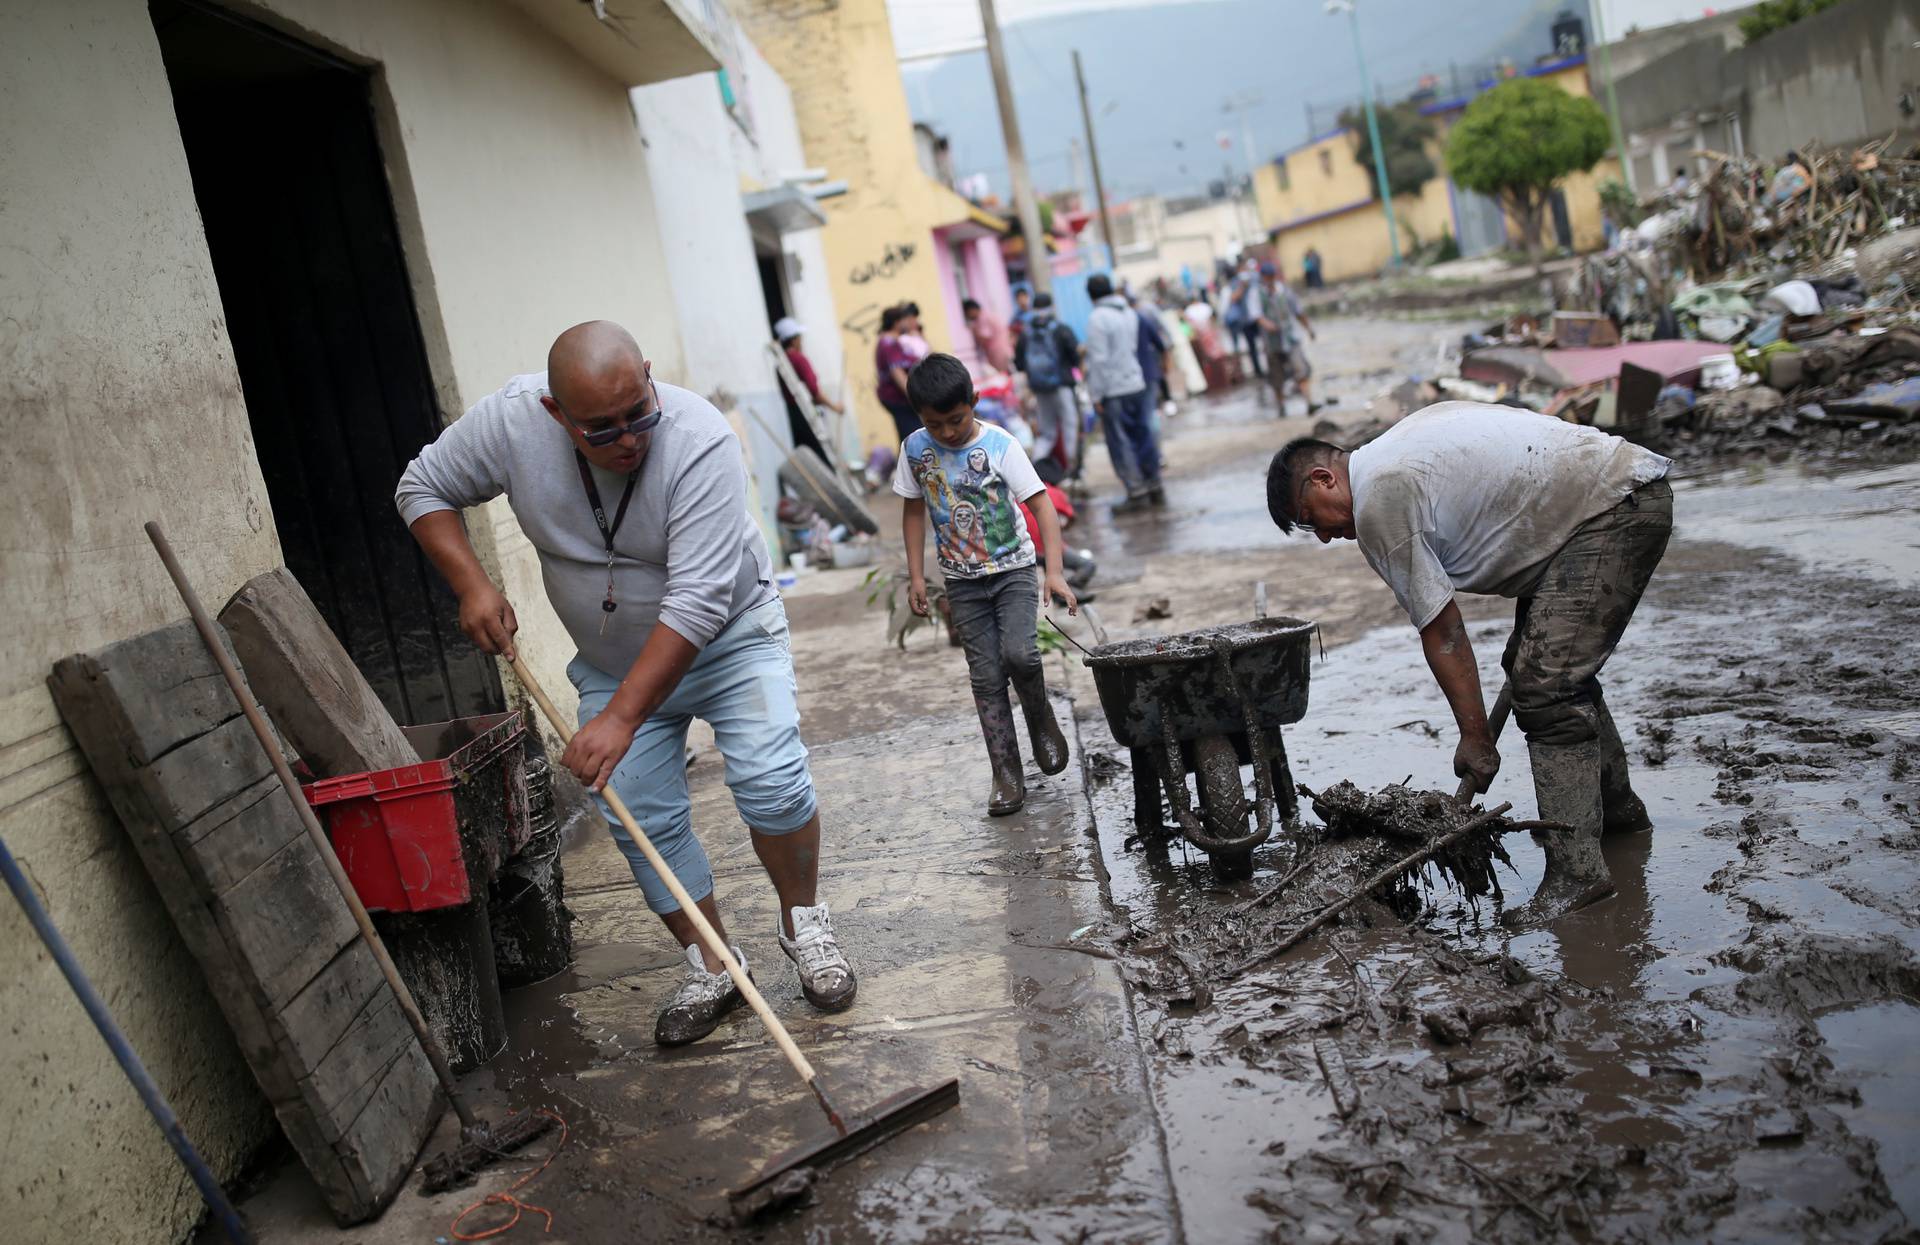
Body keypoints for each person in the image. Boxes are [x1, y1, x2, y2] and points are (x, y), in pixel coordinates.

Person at [395, 321, 856, 1047]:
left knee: (773, 779)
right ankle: (714, 963)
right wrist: (471, 584)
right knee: (637, 810)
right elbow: (422, 485)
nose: (628, 437)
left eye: (638, 411)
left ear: (647, 375)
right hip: (611, 660)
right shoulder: (514, 421)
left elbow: (700, 601)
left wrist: (619, 720)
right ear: (555, 413)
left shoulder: (699, 437)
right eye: (600, 429)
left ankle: (805, 926)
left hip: (731, 636)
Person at [1263, 402, 1673, 929]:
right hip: (1611, 496)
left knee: (1545, 686)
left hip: (1610, 512)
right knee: (1544, 672)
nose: (1321, 536)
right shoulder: (1395, 450)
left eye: (1308, 521)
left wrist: (1475, 737)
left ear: (1323, 479)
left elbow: (1445, 630)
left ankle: (1577, 875)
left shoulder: (1379, 498)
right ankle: (1618, 819)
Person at [895, 354, 1078, 816]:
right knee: (986, 677)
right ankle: (1006, 773)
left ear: (974, 402)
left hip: (1013, 570)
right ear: (920, 418)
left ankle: (1039, 717)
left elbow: (1043, 507)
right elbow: (913, 510)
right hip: (962, 583)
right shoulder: (915, 450)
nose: (948, 433)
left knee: (1020, 654)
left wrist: (1052, 571)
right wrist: (918, 575)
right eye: (935, 425)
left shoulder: (1000, 445)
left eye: (956, 420)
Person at [1084, 273, 1164, 511]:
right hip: (1136, 382)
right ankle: (1154, 484)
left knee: (1121, 442)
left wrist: (1096, 395)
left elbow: (1098, 361)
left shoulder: (1097, 318)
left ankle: (1136, 491)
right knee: (1143, 435)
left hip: (1113, 390)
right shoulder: (1129, 312)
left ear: (1091, 295)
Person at [1013, 292, 1082, 484]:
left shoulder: (1026, 332)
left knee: (1047, 432)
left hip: (1040, 389)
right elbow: (1075, 356)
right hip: (1062, 387)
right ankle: (1072, 470)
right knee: (1070, 426)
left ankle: (1035, 472)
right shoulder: (1060, 329)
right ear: (1052, 305)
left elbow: (1019, 363)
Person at [774, 316, 840, 464]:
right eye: (799, 337)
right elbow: (814, 392)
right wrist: (835, 407)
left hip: (793, 415)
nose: (801, 341)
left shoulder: (780, 362)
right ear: (793, 339)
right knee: (821, 455)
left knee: (809, 456)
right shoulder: (798, 359)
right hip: (806, 413)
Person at [1255, 261, 1318, 410]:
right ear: (1263, 276)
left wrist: (1309, 329)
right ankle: (1281, 405)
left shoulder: (1284, 291)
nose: (1269, 279)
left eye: (1272, 276)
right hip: (1271, 342)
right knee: (1277, 375)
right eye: (1267, 276)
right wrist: (1267, 325)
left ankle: (1309, 403)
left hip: (1290, 338)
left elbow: (1298, 311)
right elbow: (1256, 315)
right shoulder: (1257, 294)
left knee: (1300, 368)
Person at [875, 305, 919, 440]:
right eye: (905, 320)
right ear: (897, 322)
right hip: (898, 398)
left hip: (896, 398)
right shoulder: (889, 343)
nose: (908, 323)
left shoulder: (889, 341)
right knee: (912, 435)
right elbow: (897, 373)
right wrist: (915, 396)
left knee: (908, 433)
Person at [1225, 258, 1266, 380]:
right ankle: (1258, 370)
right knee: (1251, 347)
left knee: (1265, 342)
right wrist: (1242, 287)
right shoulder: (1235, 283)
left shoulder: (1255, 278)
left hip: (1258, 318)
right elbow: (1233, 298)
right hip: (1244, 320)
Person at [963, 298, 1015, 375]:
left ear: (972, 310)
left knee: (1004, 375)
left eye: (967, 313)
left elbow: (985, 336)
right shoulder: (989, 314)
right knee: (1009, 373)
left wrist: (973, 331)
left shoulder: (982, 318)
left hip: (998, 352)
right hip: (1005, 349)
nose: (967, 316)